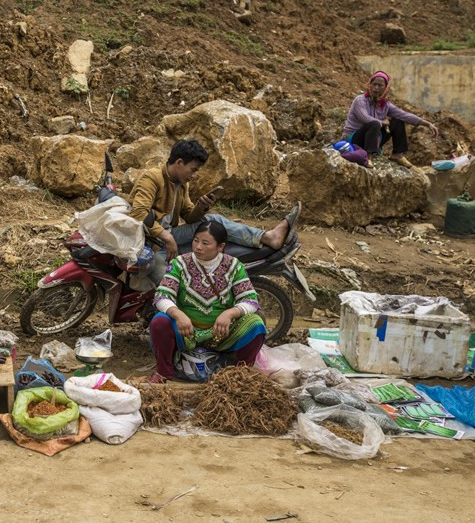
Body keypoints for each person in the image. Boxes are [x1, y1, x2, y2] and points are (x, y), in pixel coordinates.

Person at [128, 139, 301, 284]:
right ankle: (267, 237)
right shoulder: (152, 178)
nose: (194, 175)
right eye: (193, 169)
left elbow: (189, 216)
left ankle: (264, 238)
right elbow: (139, 214)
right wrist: (166, 237)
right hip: (150, 239)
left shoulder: (181, 184)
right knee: (214, 221)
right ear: (179, 163)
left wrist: (201, 207)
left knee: (211, 222)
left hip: (169, 234)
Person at [148, 221, 266, 383]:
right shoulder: (180, 264)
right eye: (196, 241)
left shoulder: (233, 266)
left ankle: (241, 376)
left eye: (205, 243)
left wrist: (230, 313)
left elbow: (250, 300)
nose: (198, 247)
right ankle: (164, 372)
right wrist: (178, 314)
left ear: (220, 246)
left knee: (256, 324)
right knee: (160, 321)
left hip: (222, 332)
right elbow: (162, 296)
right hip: (186, 331)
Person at [341, 71, 439, 169]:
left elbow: (404, 115)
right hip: (353, 138)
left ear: (386, 89)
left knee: (397, 121)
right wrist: (383, 122)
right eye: (374, 84)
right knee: (374, 123)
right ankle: (368, 156)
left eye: (380, 85)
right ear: (369, 85)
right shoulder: (360, 100)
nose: (376, 88)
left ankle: (398, 154)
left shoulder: (385, 105)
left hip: (372, 138)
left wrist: (427, 124)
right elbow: (366, 119)